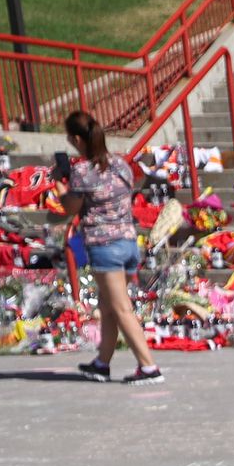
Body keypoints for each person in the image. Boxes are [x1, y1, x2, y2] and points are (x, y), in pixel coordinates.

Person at [58, 112, 157, 384]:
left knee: (121, 308)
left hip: (104, 245)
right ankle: (102, 362)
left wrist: (60, 185)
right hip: (127, 241)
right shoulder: (120, 164)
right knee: (109, 306)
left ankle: (149, 367)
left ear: (77, 139)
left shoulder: (81, 171)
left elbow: (71, 209)